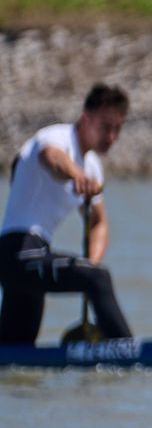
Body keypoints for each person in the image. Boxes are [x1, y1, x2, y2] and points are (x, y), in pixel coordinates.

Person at [0, 83, 133, 344]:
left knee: (13, 356)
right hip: (18, 251)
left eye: (118, 128)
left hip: (32, 261)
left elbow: (98, 222)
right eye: (105, 127)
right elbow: (52, 158)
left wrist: (90, 263)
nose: (112, 136)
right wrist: (76, 175)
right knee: (99, 279)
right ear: (86, 118)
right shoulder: (56, 137)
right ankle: (130, 354)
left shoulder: (93, 165)